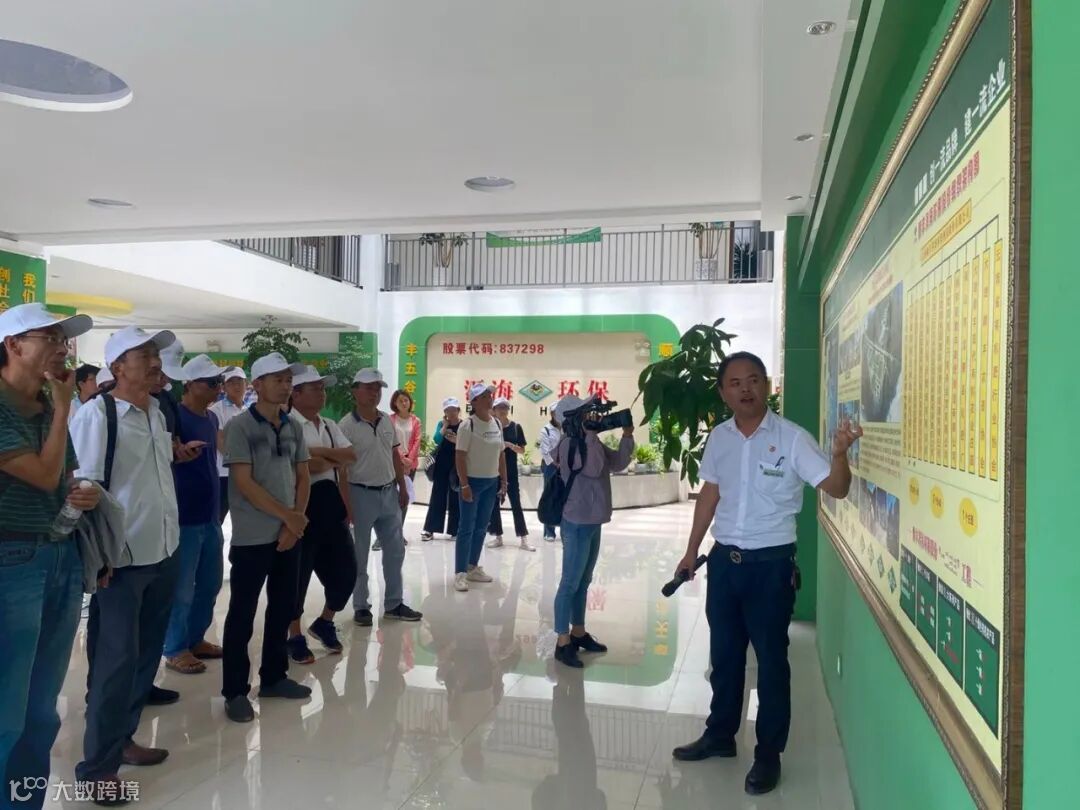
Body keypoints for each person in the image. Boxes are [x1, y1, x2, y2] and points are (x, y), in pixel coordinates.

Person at [671, 352, 861, 796]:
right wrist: (691, 551)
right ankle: (720, 735)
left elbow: (836, 488)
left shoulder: (792, 439)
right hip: (724, 564)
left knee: (772, 664)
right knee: (725, 657)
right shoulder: (719, 438)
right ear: (723, 392)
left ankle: (768, 754)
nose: (745, 389)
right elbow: (710, 494)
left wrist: (839, 456)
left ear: (767, 386)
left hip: (771, 568)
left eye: (753, 380)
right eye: (735, 383)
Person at [72, 325, 182, 802]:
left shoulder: (156, 412)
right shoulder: (98, 416)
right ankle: (97, 768)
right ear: (117, 367)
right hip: (120, 561)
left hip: (163, 551)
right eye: (144, 355)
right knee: (114, 663)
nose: (155, 362)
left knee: (144, 655)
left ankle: (124, 738)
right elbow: (85, 489)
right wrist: (99, 557)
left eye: (156, 354)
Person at [0, 303, 100, 810]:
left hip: (59, 554)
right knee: (7, 710)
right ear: (13, 345)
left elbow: (64, 475)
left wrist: (85, 494)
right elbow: (41, 476)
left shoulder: (45, 403)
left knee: (42, 710)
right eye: (51, 338)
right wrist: (64, 408)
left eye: (65, 339)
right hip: (11, 561)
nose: (63, 348)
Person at [220, 352, 313, 723]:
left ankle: (274, 677)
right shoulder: (240, 427)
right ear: (256, 385)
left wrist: (294, 524)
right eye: (278, 379)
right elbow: (244, 482)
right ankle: (234, 691)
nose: (286, 385)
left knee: (282, 608)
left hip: (288, 536)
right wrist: (288, 517)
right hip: (252, 537)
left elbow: (303, 476)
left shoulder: (293, 427)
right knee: (242, 614)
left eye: (288, 379)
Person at [161, 355, 235, 676]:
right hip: (183, 515)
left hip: (210, 514)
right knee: (182, 588)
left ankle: (195, 638)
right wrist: (176, 454)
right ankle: (175, 647)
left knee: (210, 583)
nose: (218, 388)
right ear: (189, 385)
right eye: (212, 383)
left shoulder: (211, 418)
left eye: (220, 382)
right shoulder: (173, 417)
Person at [551, 395, 634, 669]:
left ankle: (578, 632)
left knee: (583, 581)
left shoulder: (589, 441)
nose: (593, 417)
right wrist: (590, 436)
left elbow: (618, 463)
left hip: (593, 520)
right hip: (576, 522)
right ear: (573, 418)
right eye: (586, 413)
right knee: (570, 583)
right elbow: (594, 467)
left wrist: (626, 435)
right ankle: (562, 641)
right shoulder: (569, 444)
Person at [338, 368, 422, 627]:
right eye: (369, 388)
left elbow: (395, 455)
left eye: (378, 388)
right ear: (355, 391)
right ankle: (361, 606)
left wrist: (402, 487)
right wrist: (346, 504)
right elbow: (341, 470)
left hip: (388, 494)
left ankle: (394, 604)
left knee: (395, 551)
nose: (374, 393)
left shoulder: (386, 420)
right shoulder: (346, 426)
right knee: (359, 555)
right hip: (359, 494)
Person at [285, 366, 358, 664]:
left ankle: (325, 622)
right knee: (297, 577)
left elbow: (350, 456)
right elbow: (302, 466)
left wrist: (315, 454)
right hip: (301, 509)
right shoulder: (287, 424)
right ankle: (294, 636)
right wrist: (327, 458)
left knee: (347, 572)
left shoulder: (329, 425)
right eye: (315, 388)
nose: (322, 393)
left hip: (331, 508)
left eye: (322, 388)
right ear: (296, 393)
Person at [452, 384, 506, 593]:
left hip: (491, 482)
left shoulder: (496, 423)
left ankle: (472, 567)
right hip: (472, 483)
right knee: (466, 527)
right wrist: (464, 484)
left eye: (490, 395)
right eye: (484, 396)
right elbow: (460, 456)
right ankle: (460, 573)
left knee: (482, 526)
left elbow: (501, 454)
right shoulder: (468, 425)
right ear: (474, 402)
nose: (489, 398)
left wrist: (504, 482)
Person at [486, 397, 533, 551]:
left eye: (505, 407)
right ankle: (498, 536)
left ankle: (523, 538)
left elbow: (522, 450)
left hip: (511, 471)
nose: (502, 410)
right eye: (499, 407)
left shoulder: (515, 427)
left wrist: (510, 445)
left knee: (516, 503)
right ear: (494, 410)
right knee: (493, 504)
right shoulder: (491, 427)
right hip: (494, 470)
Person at [420, 397, 461, 542]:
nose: (451, 412)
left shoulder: (464, 425)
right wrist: (444, 427)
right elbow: (436, 440)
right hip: (441, 464)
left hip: (458, 464)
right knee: (437, 496)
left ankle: (455, 530)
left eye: (453, 409)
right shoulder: (441, 424)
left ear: (458, 410)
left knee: (456, 496)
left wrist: (456, 440)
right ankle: (430, 529)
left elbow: (468, 443)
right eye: (448, 410)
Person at [210, 367, 247, 525]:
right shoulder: (216, 410)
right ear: (224, 387)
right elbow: (220, 442)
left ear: (246, 384)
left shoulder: (248, 411)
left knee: (245, 519)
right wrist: (238, 464)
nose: (236, 386)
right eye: (231, 382)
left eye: (240, 381)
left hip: (246, 474)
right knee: (218, 517)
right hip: (224, 474)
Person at [388, 389, 421, 542]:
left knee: (404, 499)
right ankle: (384, 535)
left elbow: (417, 441)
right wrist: (401, 459)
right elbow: (390, 441)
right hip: (392, 464)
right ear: (395, 403)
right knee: (389, 500)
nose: (403, 403)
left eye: (406, 400)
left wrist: (409, 460)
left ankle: (398, 533)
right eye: (400, 400)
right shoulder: (390, 420)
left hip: (410, 466)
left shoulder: (415, 421)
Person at [537, 410, 562, 542]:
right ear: (552, 414)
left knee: (564, 497)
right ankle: (549, 532)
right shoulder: (545, 430)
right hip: (550, 467)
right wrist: (556, 463)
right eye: (557, 413)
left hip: (564, 466)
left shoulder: (566, 428)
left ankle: (564, 528)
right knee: (550, 495)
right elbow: (545, 452)